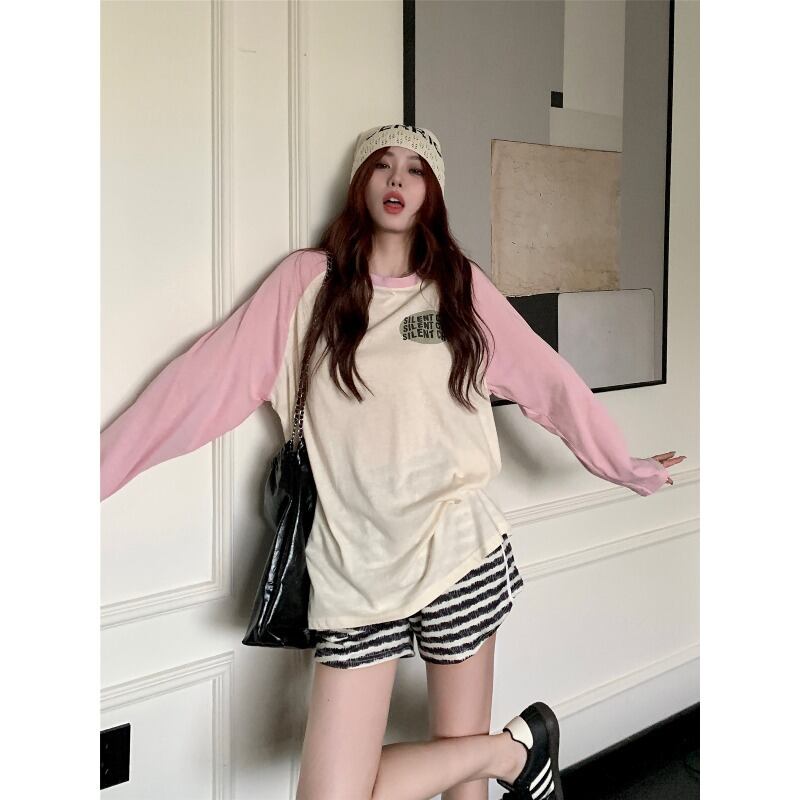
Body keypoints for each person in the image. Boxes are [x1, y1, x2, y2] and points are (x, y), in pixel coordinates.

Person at [101, 123, 685, 800]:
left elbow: (546, 378)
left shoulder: (459, 288)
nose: (398, 179)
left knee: (459, 786)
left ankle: (498, 758)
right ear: (362, 183)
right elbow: (199, 384)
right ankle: (511, 755)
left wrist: (621, 463)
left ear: (431, 193)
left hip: (456, 550)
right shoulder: (305, 284)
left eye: (416, 169)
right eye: (383, 164)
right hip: (353, 568)